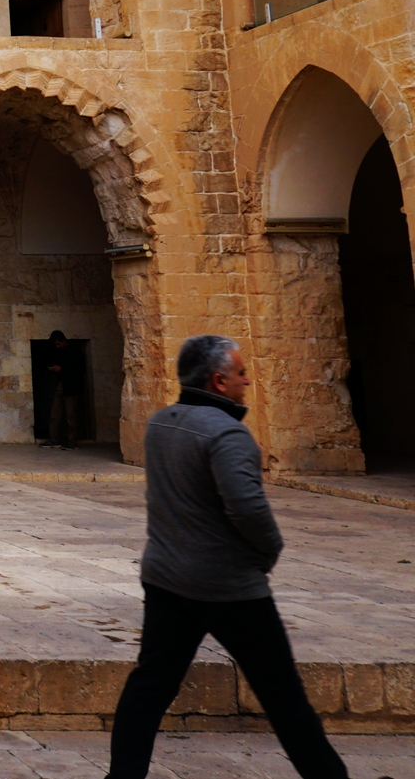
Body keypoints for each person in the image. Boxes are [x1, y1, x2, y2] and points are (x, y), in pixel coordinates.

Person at [106, 334, 351, 779]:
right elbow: (248, 507)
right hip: (229, 587)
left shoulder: (160, 424)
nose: (247, 380)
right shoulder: (228, 434)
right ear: (218, 381)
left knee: (149, 688)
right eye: (240, 373)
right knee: (283, 695)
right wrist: (268, 552)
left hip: (166, 579)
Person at [43, 330, 86, 449]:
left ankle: (72, 441)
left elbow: (79, 369)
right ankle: (54, 439)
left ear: (63, 340)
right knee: (55, 413)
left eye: (58, 344)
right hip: (62, 385)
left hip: (72, 387)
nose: (57, 346)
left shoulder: (75, 352)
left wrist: (61, 369)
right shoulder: (61, 352)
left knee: (71, 415)